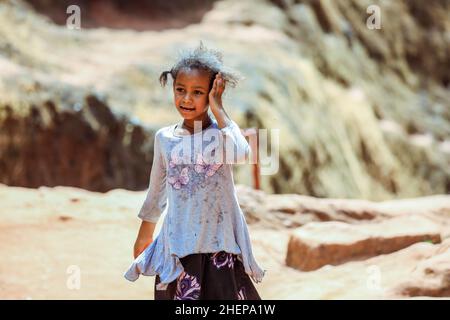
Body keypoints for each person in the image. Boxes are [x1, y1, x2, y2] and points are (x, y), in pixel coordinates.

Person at [124, 41, 266, 300]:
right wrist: (145, 233)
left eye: (198, 92)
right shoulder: (165, 138)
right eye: (180, 90)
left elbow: (243, 154)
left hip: (219, 246)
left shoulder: (220, 136)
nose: (186, 98)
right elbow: (157, 191)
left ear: (213, 92)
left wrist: (218, 109)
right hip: (178, 245)